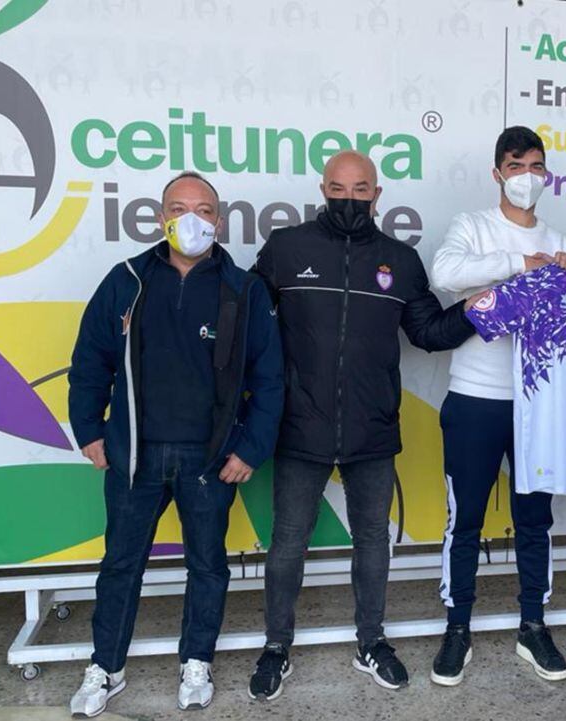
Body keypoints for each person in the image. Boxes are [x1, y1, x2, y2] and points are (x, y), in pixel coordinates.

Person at [247, 150, 478, 700]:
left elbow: (428, 331)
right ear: (322, 188)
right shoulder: (286, 249)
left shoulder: (400, 259)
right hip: (299, 426)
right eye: (339, 188)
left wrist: (481, 309)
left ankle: (371, 641)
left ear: (377, 194)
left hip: (372, 427)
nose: (349, 198)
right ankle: (276, 646)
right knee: (287, 543)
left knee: (373, 539)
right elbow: (249, 327)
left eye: (361, 189)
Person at [67, 171, 284, 716]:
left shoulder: (244, 290)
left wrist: (251, 448)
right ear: (161, 216)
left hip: (210, 458)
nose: (192, 219)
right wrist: (90, 431)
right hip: (134, 454)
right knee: (121, 564)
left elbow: (271, 376)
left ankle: (197, 661)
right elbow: (89, 361)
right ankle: (106, 667)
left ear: (220, 219)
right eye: (179, 207)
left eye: (204, 209)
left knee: (207, 564)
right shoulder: (126, 281)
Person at [427, 126, 566, 686]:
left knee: (534, 520)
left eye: (536, 166)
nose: (527, 177)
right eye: (516, 166)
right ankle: (457, 628)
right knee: (463, 520)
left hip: (538, 403)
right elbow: (445, 275)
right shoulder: (472, 226)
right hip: (474, 398)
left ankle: (533, 626)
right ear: (498, 173)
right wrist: (519, 265)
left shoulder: (558, 235)